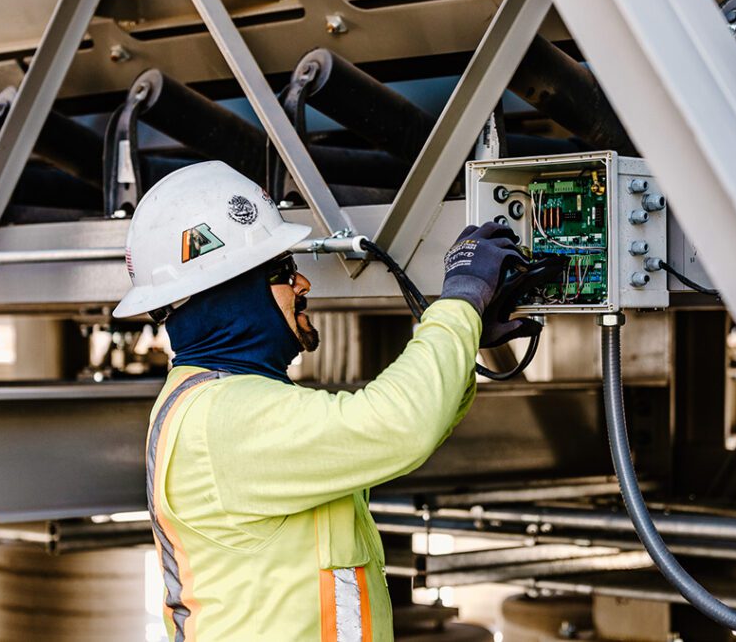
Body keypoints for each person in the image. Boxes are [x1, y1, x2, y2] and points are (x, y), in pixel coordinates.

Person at [114, 161, 525, 641]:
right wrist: (459, 305)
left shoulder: (228, 404)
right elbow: (400, 425)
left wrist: (465, 335)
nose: (302, 285)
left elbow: (407, 425)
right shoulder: (222, 418)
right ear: (229, 294)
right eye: (282, 272)